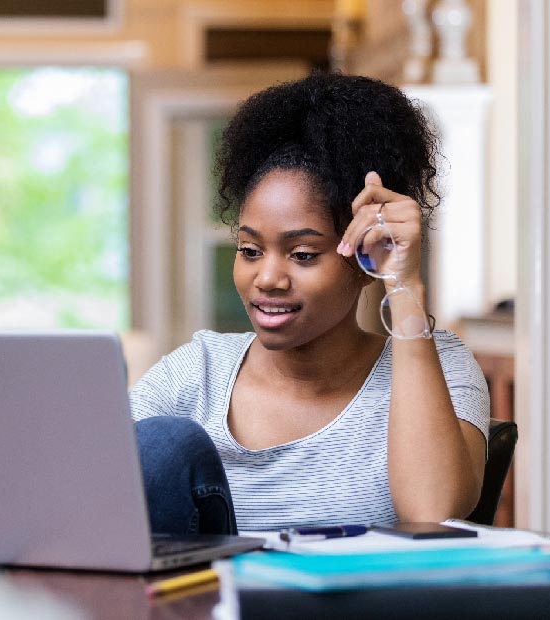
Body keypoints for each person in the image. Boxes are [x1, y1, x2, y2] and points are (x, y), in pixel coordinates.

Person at [130, 72, 490, 535]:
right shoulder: (196, 374)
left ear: (363, 259)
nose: (268, 278)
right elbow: (89, 489)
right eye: (250, 251)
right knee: (159, 444)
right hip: (206, 605)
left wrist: (403, 285)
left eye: (302, 255)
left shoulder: (439, 366)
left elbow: (432, 514)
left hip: (364, 607)